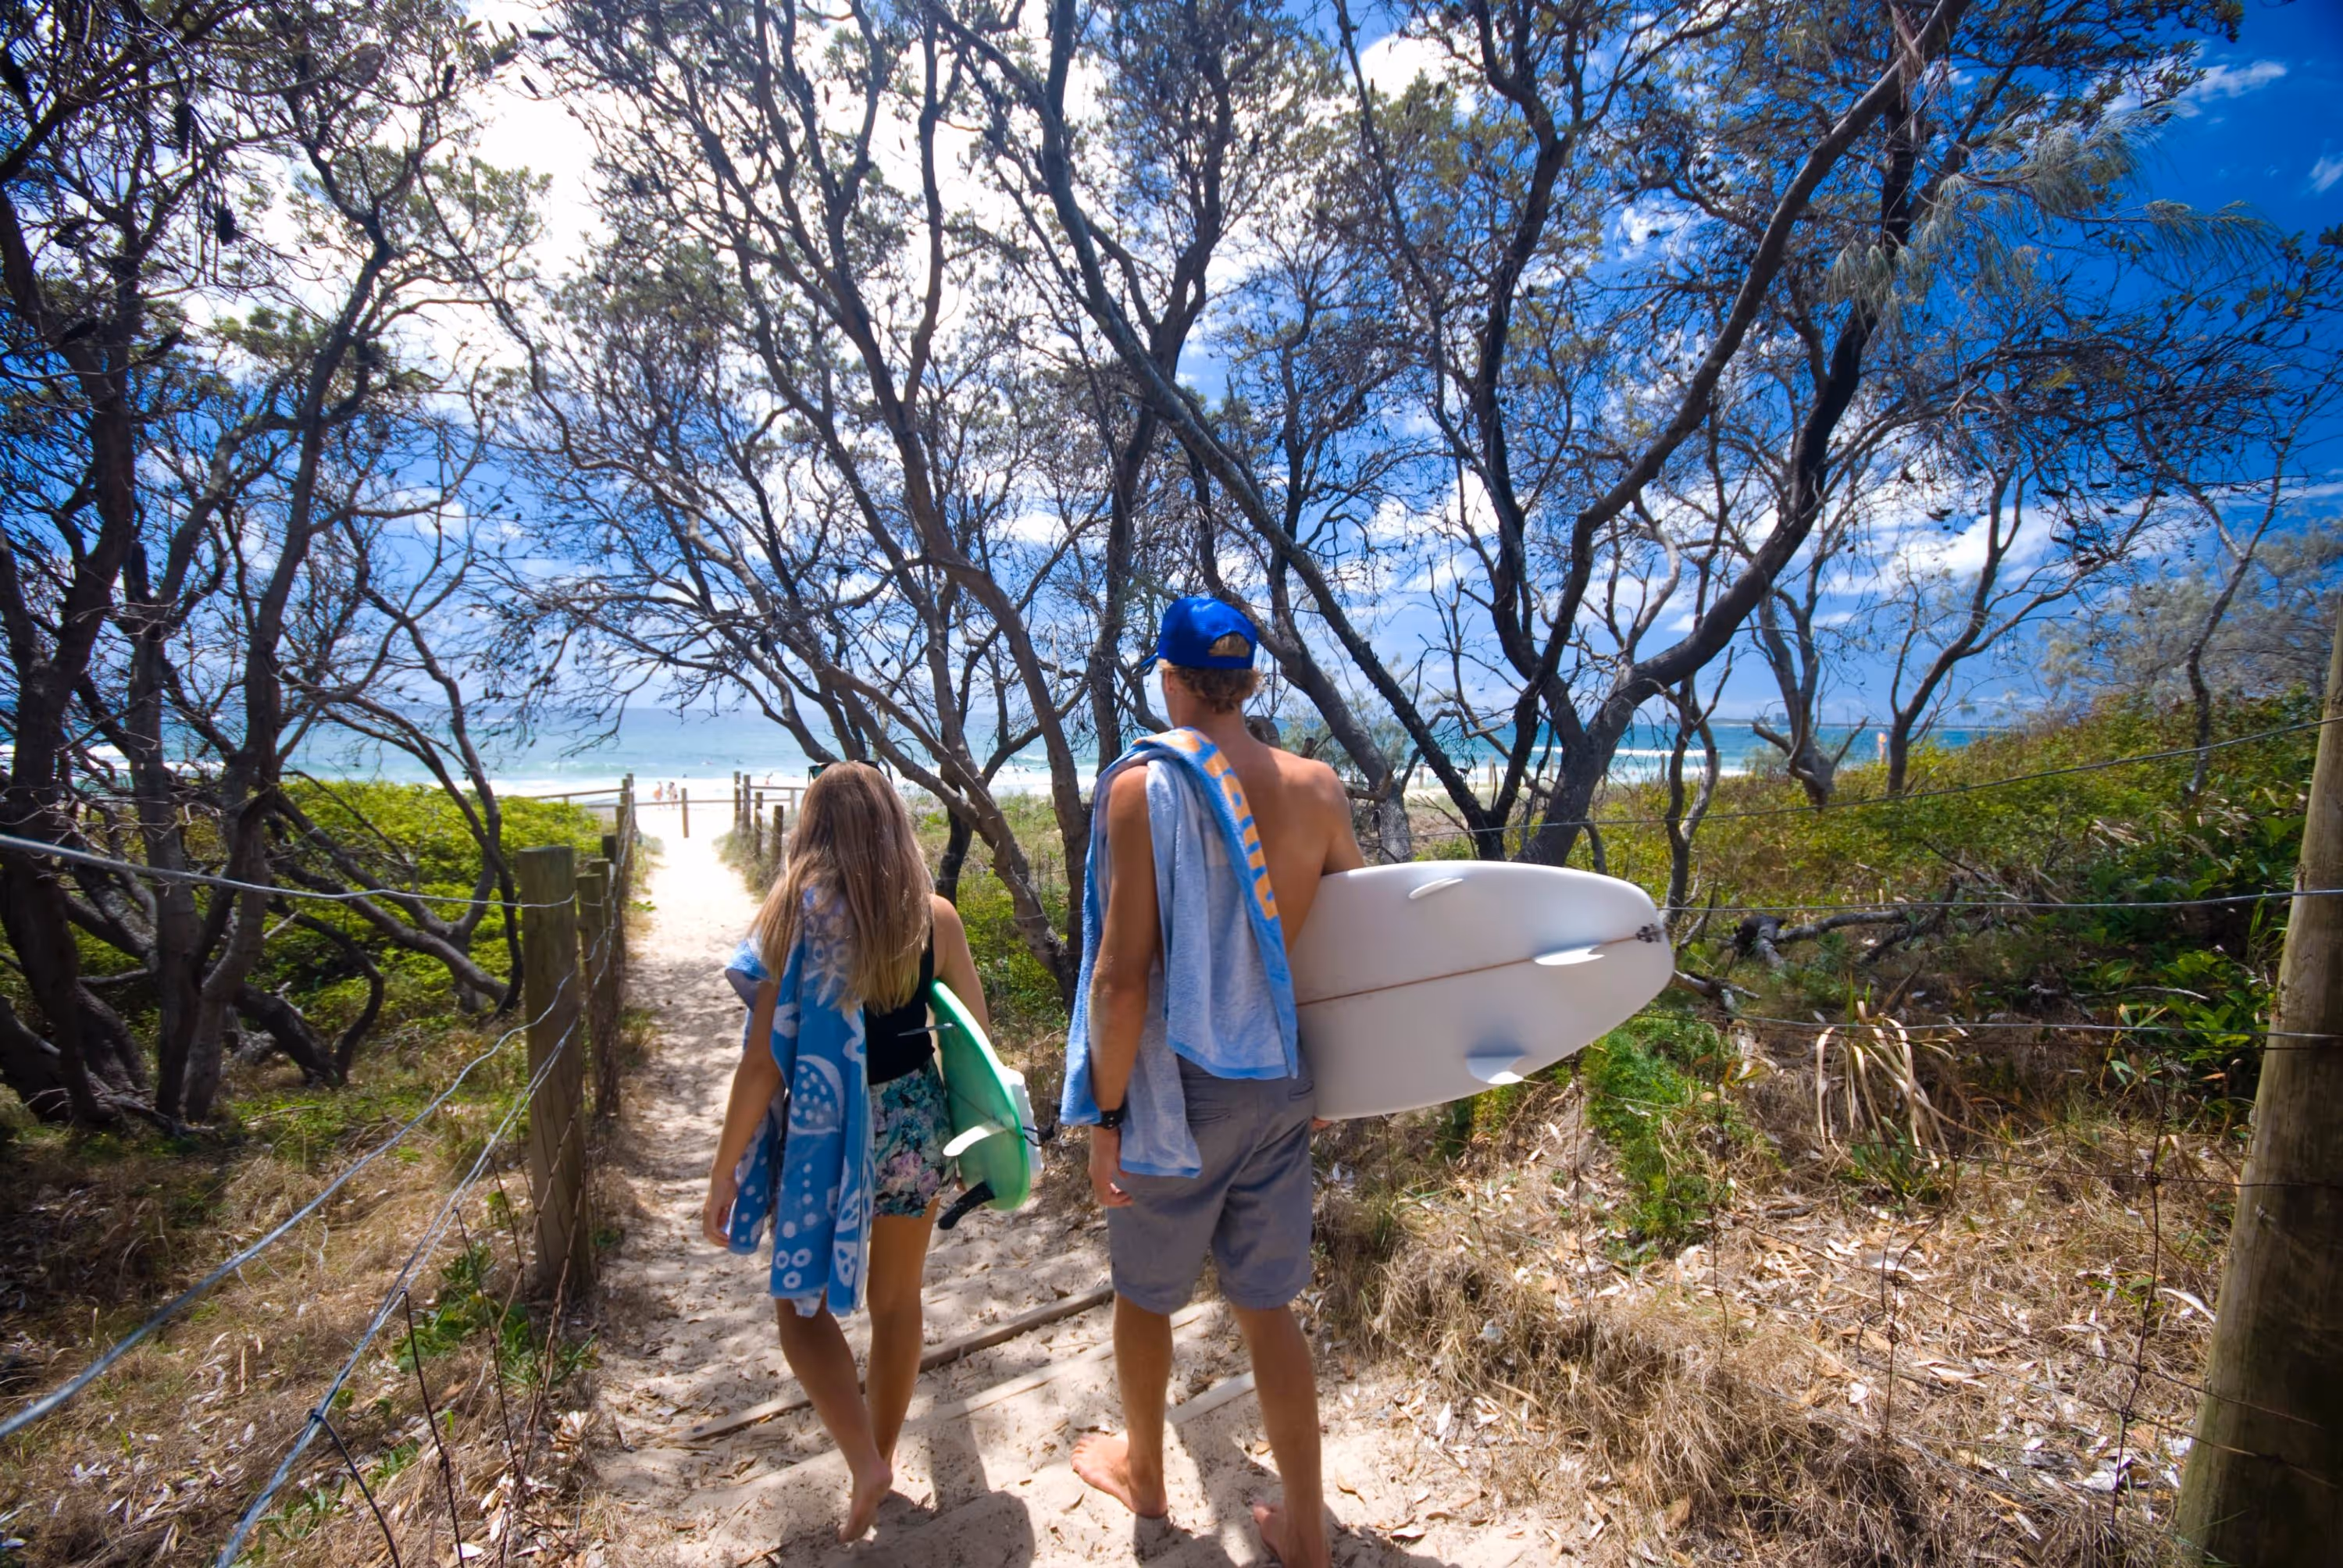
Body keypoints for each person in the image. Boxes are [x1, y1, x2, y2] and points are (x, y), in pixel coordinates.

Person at [1064, 597, 1363, 1568]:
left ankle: (1147, 1475)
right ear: (1251, 679)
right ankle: (1308, 1534)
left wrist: (1104, 1112)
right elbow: (1359, 949)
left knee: (1146, 1295)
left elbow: (1120, 977)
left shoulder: (1144, 790)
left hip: (1178, 1090)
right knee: (1266, 1306)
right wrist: (1338, 1081)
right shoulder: (1319, 788)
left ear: (1171, 677)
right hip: (1281, 1078)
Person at [699, 761, 992, 1542]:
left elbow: (762, 1063)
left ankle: (864, 1457)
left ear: (813, 830)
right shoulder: (932, 917)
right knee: (897, 1304)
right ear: (894, 825)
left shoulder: (791, 923)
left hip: (827, 1133)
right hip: (913, 1126)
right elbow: (974, 1047)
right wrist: (983, 1144)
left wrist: (725, 1167)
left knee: (801, 1310)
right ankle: (882, 1453)